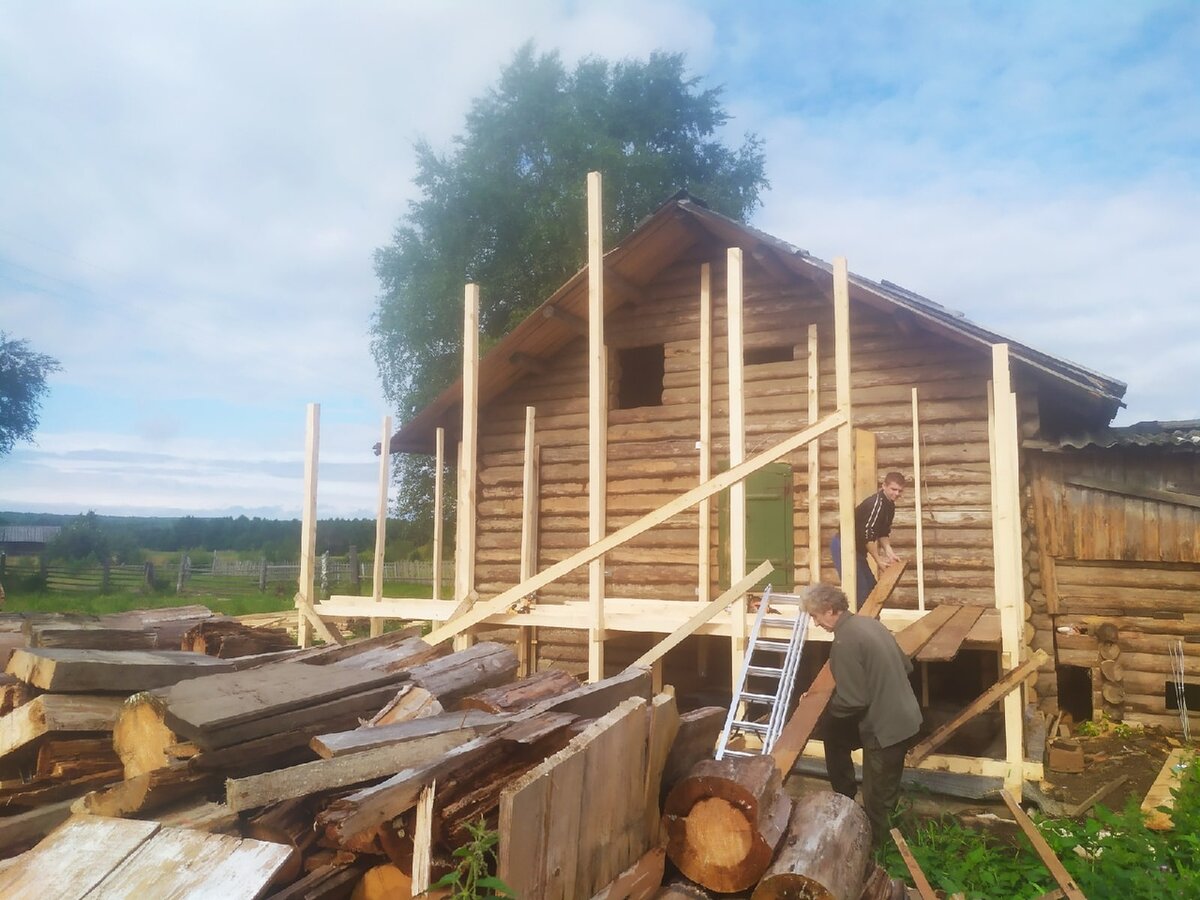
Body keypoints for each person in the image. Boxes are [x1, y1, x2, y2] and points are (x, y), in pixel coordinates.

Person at [801, 582, 922, 847]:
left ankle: (882, 856)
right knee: (835, 738)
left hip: (886, 729)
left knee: (878, 802)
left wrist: (821, 712)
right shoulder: (871, 625)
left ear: (831, 610)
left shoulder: (844, 642)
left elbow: (854, 700)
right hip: (907, 717)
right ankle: (845, 800)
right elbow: (907, 666)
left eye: (816, 616)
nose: (816, 623)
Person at [830, 471, 906, 606]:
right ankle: (858, 624)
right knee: (860, 592)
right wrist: (878, 560)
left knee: (871, 588)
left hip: (858, 550)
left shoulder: (890, 506)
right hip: (844, 546)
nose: (896, 494)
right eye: (893, 489)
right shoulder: (876, 504)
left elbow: (883, 532)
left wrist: (890, 554)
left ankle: (871, 623)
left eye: (900, 491)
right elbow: (868, 535)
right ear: (884, 486)